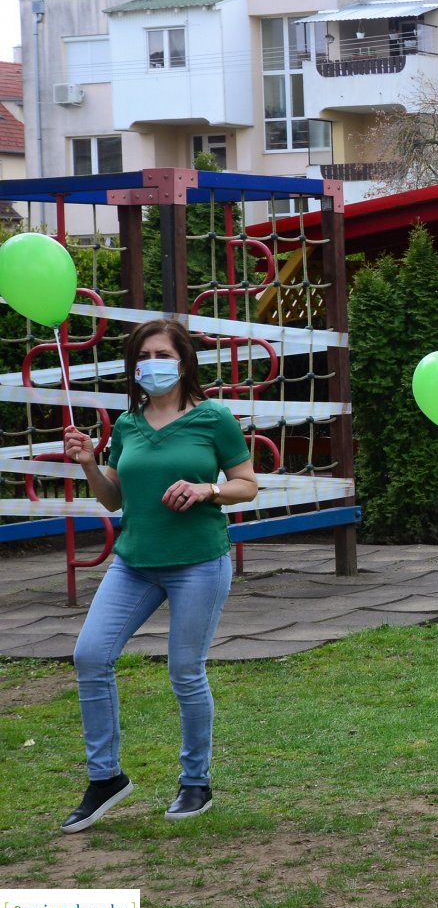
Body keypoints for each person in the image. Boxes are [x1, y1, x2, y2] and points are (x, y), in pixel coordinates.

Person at [58, 319, 259, 832]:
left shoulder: (214, 418)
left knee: (184, 671)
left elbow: (247, 485)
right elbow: (115, 497)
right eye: (144, 355)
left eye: (163, 353)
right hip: (134, 563)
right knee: (90, 655)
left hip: (198, 562)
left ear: (184, 360)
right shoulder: (127, 425)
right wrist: (87, 463)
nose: (153, 363)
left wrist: (206, 490)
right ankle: (106, 778)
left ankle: (196, 781)